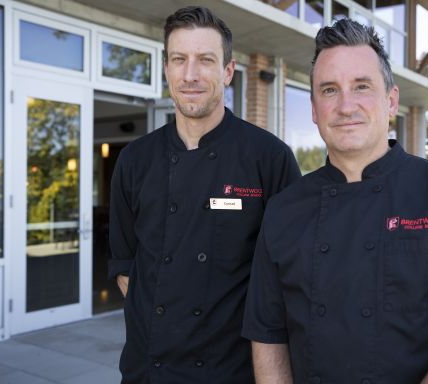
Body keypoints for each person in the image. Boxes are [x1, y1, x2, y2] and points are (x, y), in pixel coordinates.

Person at [242, 18, 428, 384]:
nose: (346, 106)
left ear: (391, 101)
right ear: (313, 109)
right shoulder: (284, 208)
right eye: (329, 90)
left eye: (362, 86)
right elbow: (268, 335)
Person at [108, 6, 300, 383]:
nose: (190, 74)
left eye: (205, 60)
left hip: (230, 371)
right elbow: (126, 268)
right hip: (149, 370)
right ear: (166, 68)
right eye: (179, 59)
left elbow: (288, 281)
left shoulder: (269, 159)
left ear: (228, 72)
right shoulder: (134, 160)